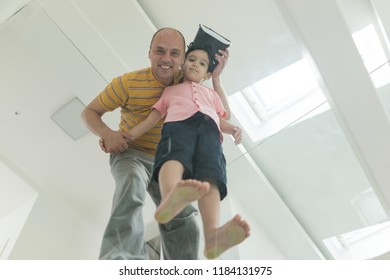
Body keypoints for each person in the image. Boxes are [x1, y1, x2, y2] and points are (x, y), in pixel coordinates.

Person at [81, 27, 239, 260]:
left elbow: (219, 112)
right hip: (131, 152)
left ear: (182, 60)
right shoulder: (127, 83)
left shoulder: (187, 81)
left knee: (186, 215)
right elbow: (89, 112)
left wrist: (216, 74)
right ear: (150, 53)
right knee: (132, 188)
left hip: (165, 157)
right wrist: (108, 134)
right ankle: (122, 260)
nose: (166, 59)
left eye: (175, 53)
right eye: (160, 51)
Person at [126, 44, 250, 259]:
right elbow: (151, 119)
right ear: (183, 64)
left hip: (211, 133)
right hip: (179, 125)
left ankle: (213, 236)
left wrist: (218, 82)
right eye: (192, 59)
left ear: (207, 73)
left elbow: (224, 115)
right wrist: (126, 136)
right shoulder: (170, 91)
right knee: (174, 157)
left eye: (202, 63)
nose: (196, 64)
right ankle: (170, 198)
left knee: (211, 175)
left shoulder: (210, 93)